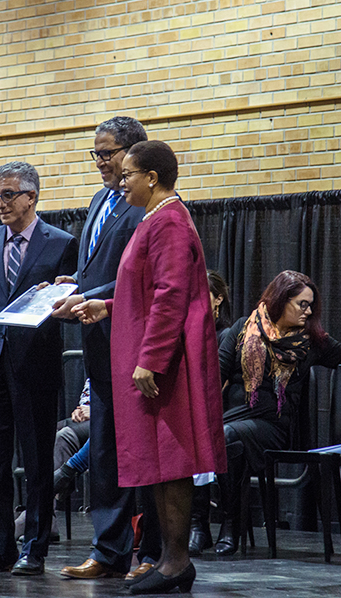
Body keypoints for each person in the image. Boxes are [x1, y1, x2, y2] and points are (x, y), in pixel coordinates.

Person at [71, 140, 227, 594]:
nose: (122, 184)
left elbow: (171, 296)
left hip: (166, 364)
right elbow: (146, 291)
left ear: (152, 178)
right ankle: (169, 561)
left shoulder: (170, 222)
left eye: (129, 176)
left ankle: (177, 562)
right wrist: (107, 304)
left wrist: (151, 360)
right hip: (154, 359)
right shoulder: (154, 219)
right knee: (160, 462)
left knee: (173, 460)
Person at [214, 269, 341, 556]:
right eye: (302, 304)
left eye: (311, 305)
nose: (308, 311)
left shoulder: (311, 342)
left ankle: (230, 525)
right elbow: (213, 375)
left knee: (227, 438)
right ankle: (201, 526)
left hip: (273, 425)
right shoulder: (242, 329)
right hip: (234, 416)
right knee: (217, 436)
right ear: (281, 300)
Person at [0, 162, 79, 575]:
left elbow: (70, 303)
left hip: (35, 368)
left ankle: (35, 550)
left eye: (8, 195)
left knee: (39, 463)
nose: (0, 204)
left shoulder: (62, 243)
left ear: (31, 196)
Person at [50, 116, 154, 580]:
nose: (99, 162)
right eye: (94, 153)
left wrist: (93, 295)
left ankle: (151, 552)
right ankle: (108, 552)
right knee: (106, 448)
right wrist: (78, 282)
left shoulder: (145, 204)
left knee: (143, 450)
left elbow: (140, 278)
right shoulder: (99, 200)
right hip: (98, 341)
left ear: (133, 154)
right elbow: (101, 266)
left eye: (107, 153)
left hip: (134, 342)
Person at [14, 379, 91, 542]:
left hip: (110, 417)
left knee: (63, 438)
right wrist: (81, 409)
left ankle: (38, 515)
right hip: (90, 416)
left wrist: (95, 410)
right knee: (42, 435)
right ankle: (44, 516)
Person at [188, 270, 232, 556]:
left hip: (220, 410)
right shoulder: (187, 331)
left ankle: (200, 525)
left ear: (218, 299)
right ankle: (195, 525)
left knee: (199, 432)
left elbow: (219, 382)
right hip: (189, 408)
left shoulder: (226, 334)